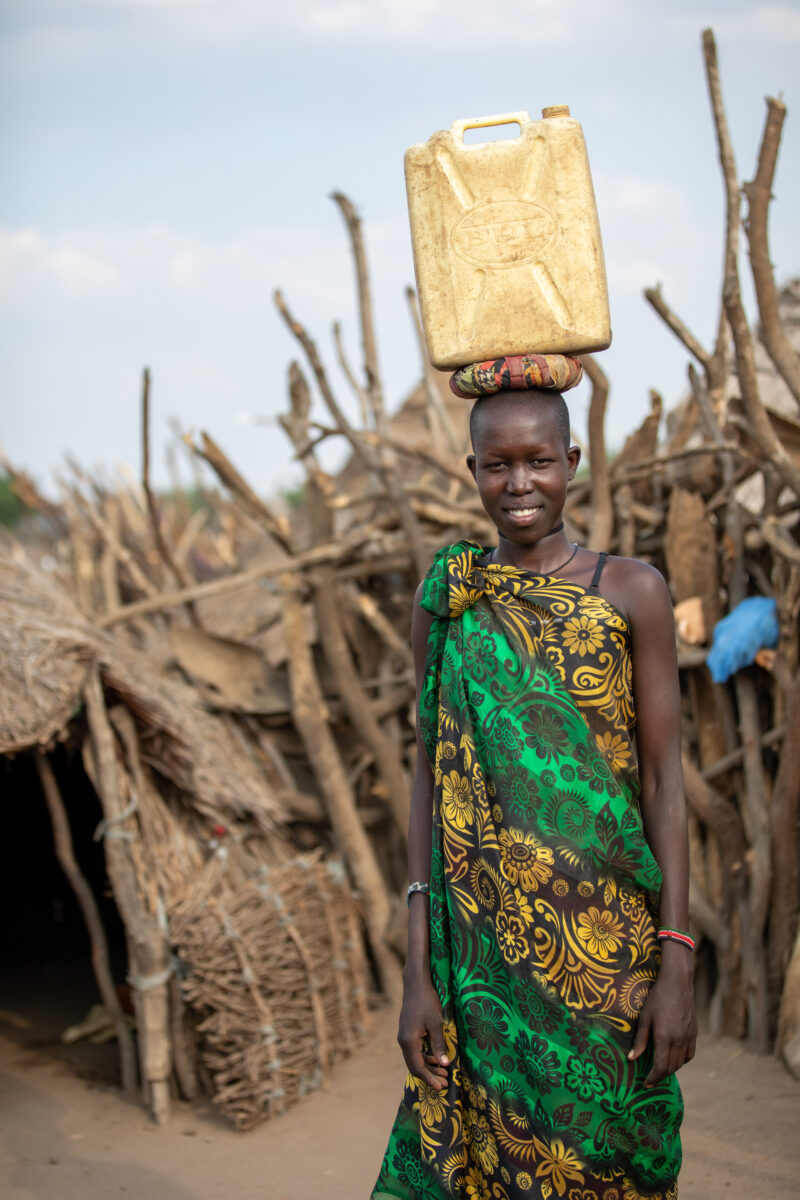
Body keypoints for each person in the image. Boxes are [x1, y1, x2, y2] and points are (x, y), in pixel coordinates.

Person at [372, 358, 696, 1200]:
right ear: (472, 471)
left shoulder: (631, 593)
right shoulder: (450, 601)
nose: (520, 483)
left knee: (617, 1155)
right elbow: (428, 778)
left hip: (612, 957)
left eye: (539, 461)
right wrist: (419, 972)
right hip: (486, 967)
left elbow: (664, 782)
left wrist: (677, 960)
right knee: (500, 1169)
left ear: (572, 463)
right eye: (499, 464)